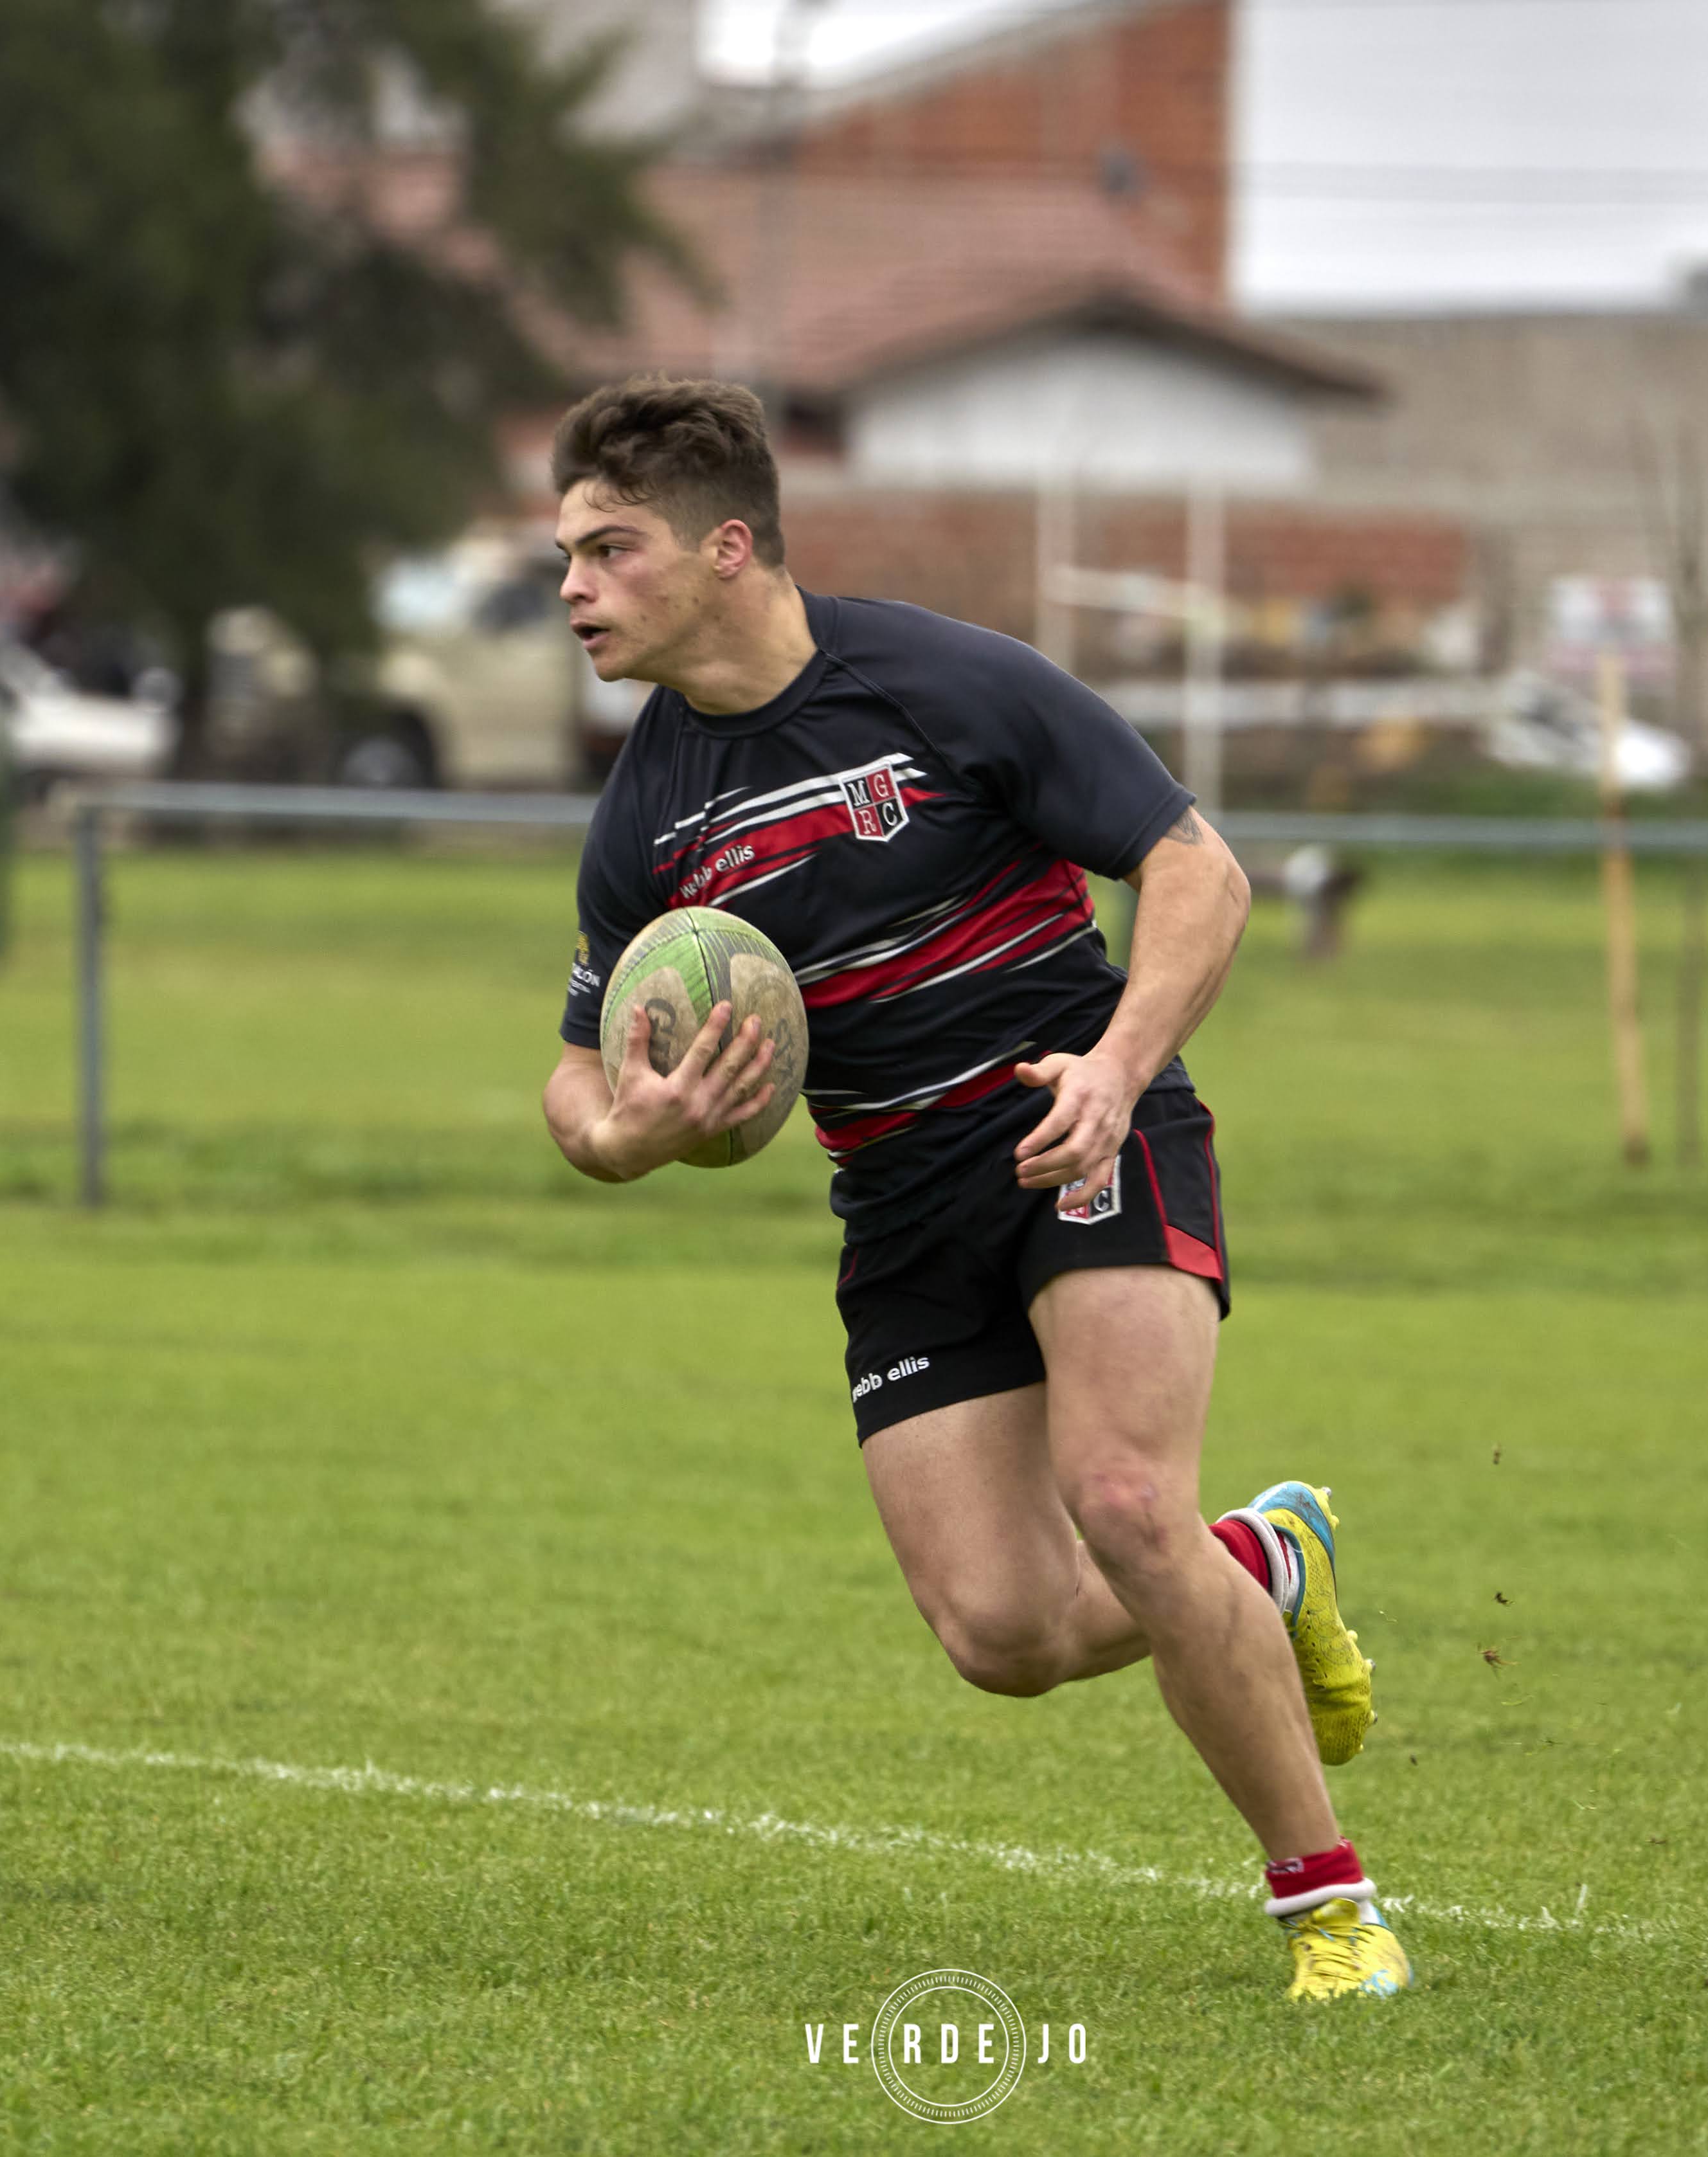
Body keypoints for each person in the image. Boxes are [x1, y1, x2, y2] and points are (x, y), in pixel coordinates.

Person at [537, 379, 1407, 2000]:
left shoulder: (942, 683)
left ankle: (1331, 1907)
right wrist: (631, 1134)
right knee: (1002, 1635)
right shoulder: (649, 811)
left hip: (1077, 1128)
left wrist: (1119, 1066)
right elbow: (576, 1079)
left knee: (1127, 1505)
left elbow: (1196, 872)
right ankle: (1270, 1562)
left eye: (609, 548)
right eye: (564, 557)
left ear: (728, 549)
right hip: (900, 1203)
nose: (573, 588)